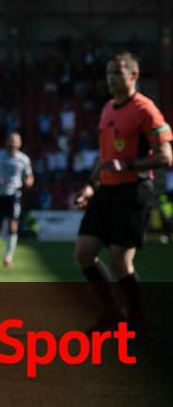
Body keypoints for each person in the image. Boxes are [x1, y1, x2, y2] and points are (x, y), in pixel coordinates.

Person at [73, 52, 172, 334]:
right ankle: (113, 314)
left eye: (117, 72)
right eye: (108, 73)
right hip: (106, 192)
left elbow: (166, 156)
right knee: (84, 252)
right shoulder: (107, 109)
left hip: (134, 191)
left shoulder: (146, 110)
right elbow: (104, 157)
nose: (112, 78)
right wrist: (91, 186)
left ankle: (138, 321)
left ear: (134, 75)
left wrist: (127, 164)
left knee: (120, 260)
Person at [0, 131, 34, 267]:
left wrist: (29, 182)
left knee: (13, 223)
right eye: (11, 140)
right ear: (6, 142)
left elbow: (29, 176)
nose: (13, 143)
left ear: (20, 143)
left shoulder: (24, 159)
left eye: (16, 140)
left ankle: (8, 256)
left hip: (14, 194)